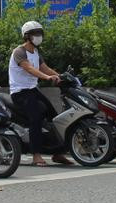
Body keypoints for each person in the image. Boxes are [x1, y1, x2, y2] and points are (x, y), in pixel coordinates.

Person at [9, 20, 71, 167]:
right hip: (20, 92)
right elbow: (29, 68)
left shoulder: (36, 52)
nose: (39, 37)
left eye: (40, 34)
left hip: (32, 90)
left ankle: (58, 153)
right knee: (35, 118)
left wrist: (61, 77)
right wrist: (47, 78)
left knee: (54, 116)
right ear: (27, 36)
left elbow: (44, 68)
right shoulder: (19, 51)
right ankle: (36, 155)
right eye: (35, 34)